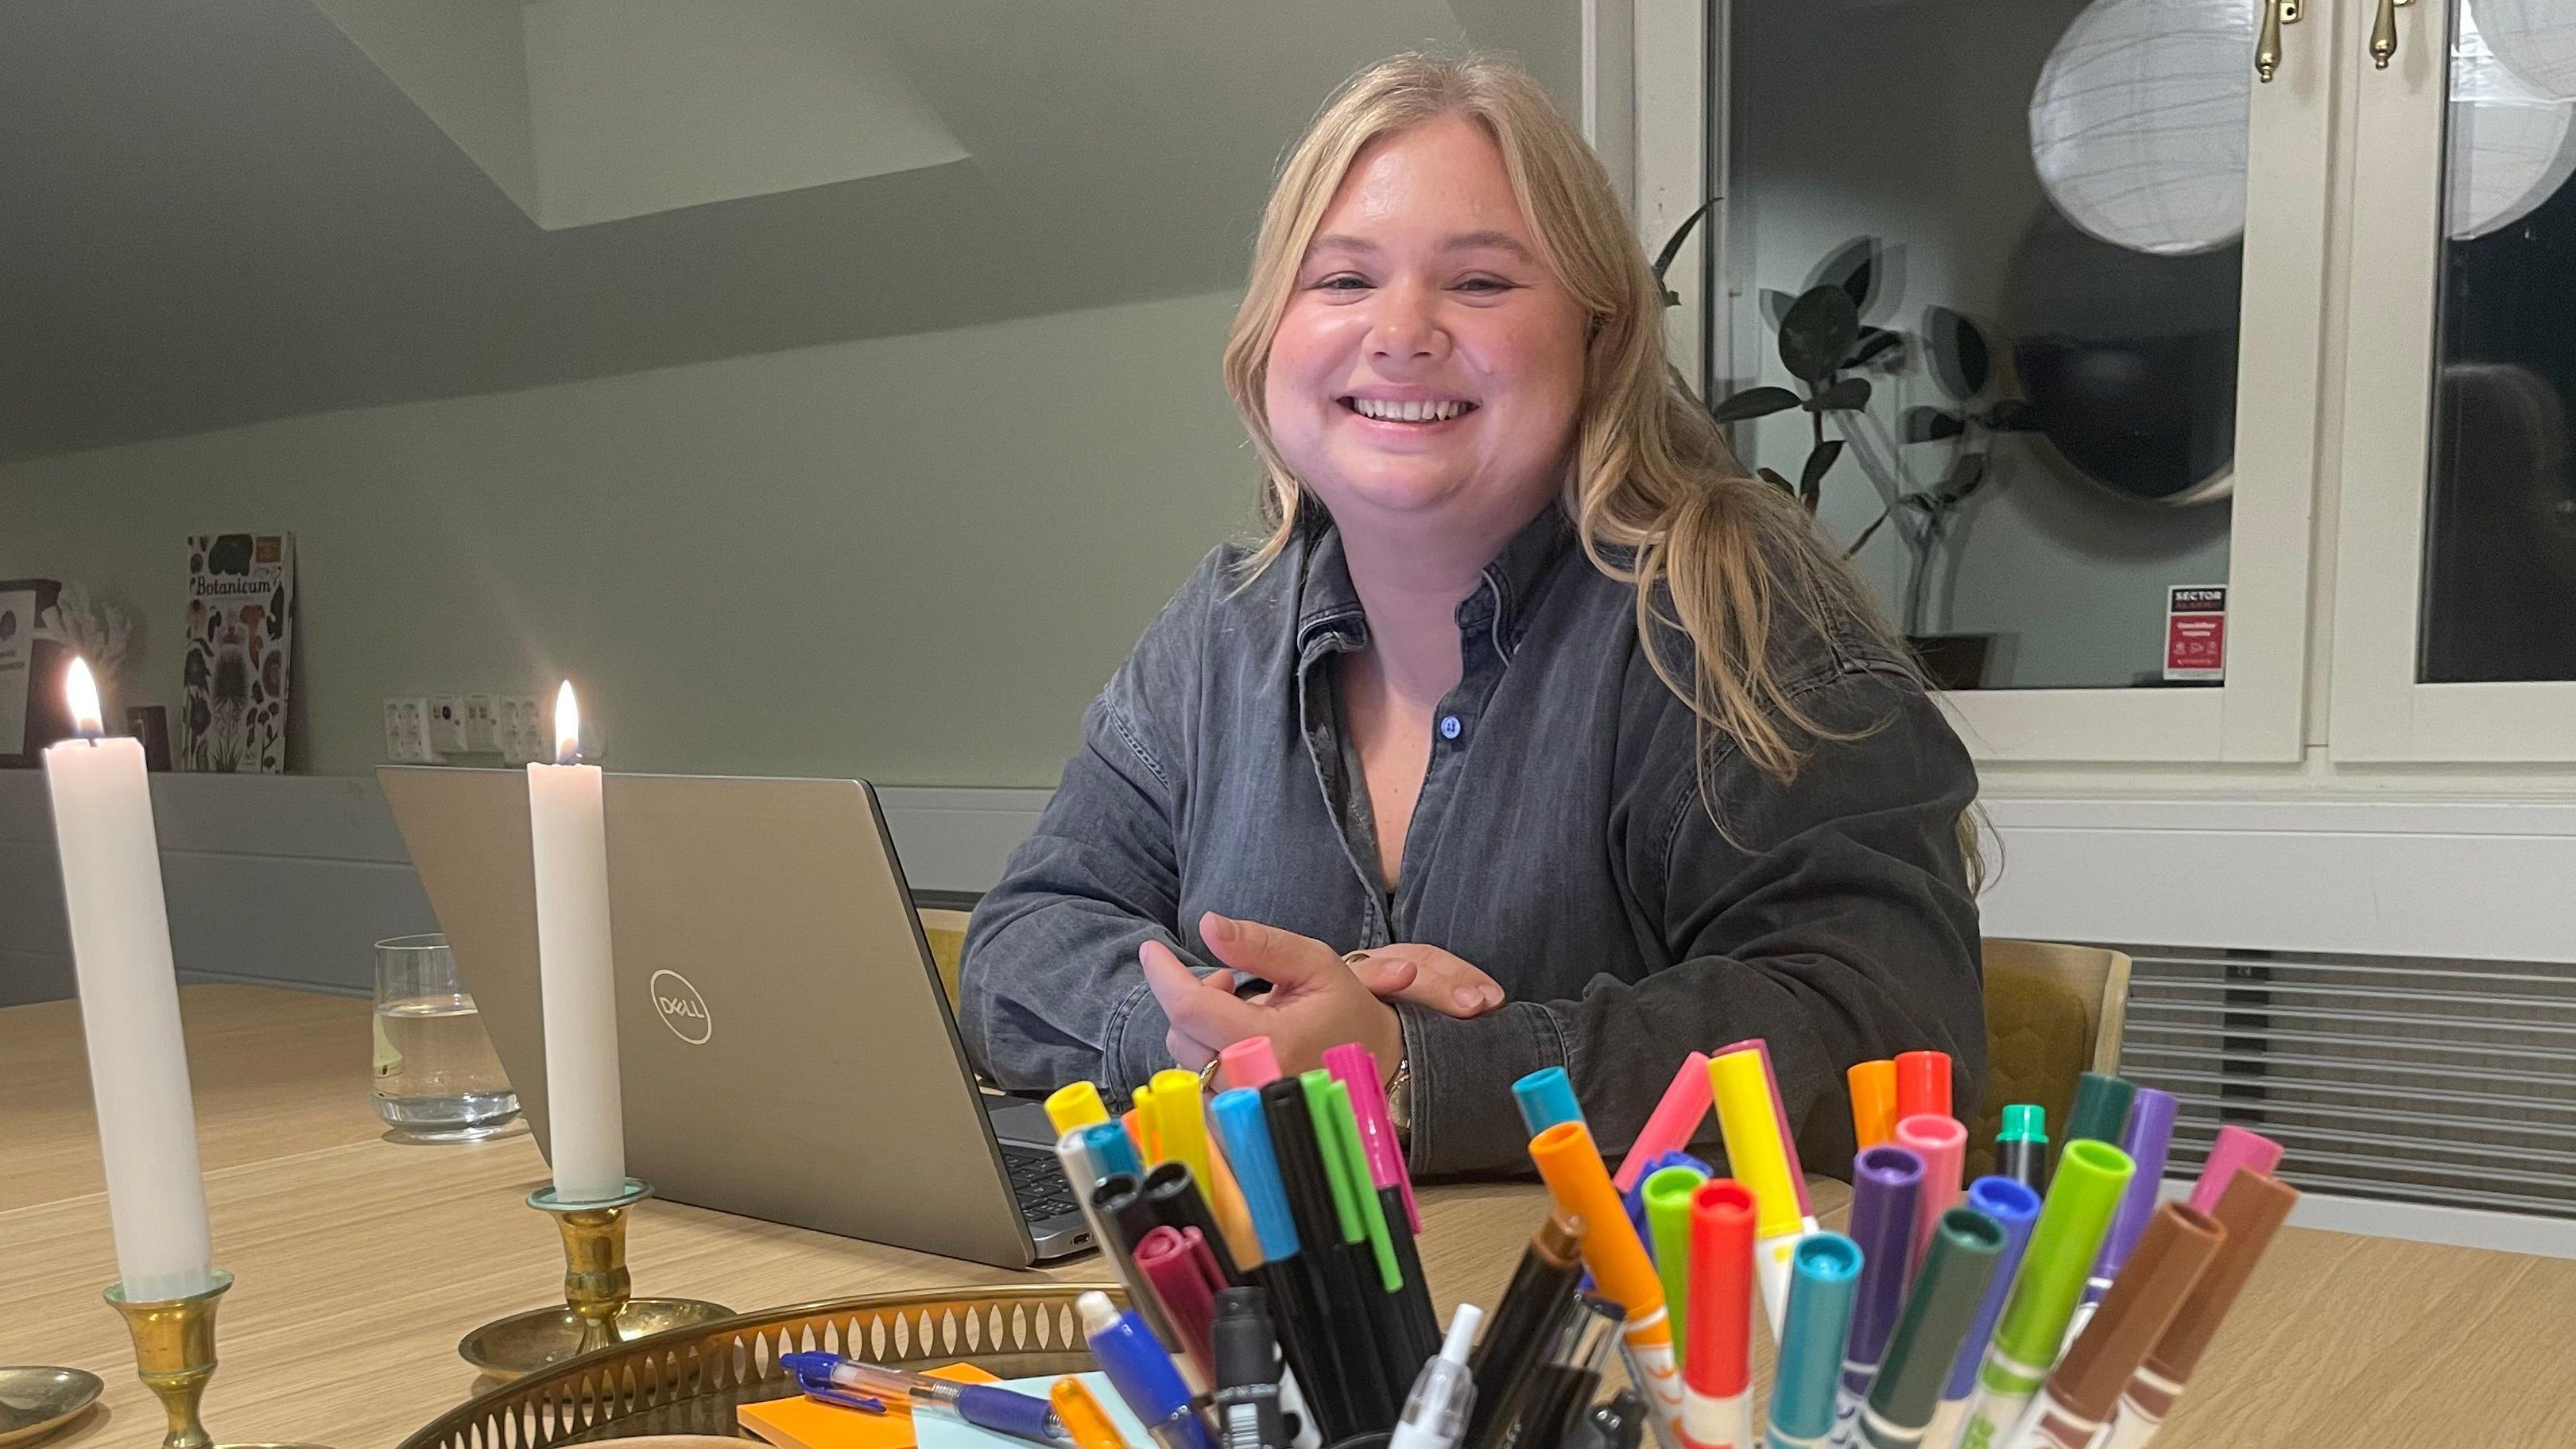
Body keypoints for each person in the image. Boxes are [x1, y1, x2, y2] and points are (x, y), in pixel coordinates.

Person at [959, 52, 1983, 1176]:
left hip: (1609, 1324)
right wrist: (1227, 1040)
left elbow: (1884, 1039)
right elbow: (1023, 941)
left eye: (1482, 283)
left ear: (1598, 339)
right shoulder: (1220, 628)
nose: (1401, 332)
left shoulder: (1734, 612)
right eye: (1341, 281)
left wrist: (1408, 1068)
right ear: (1266, 339)